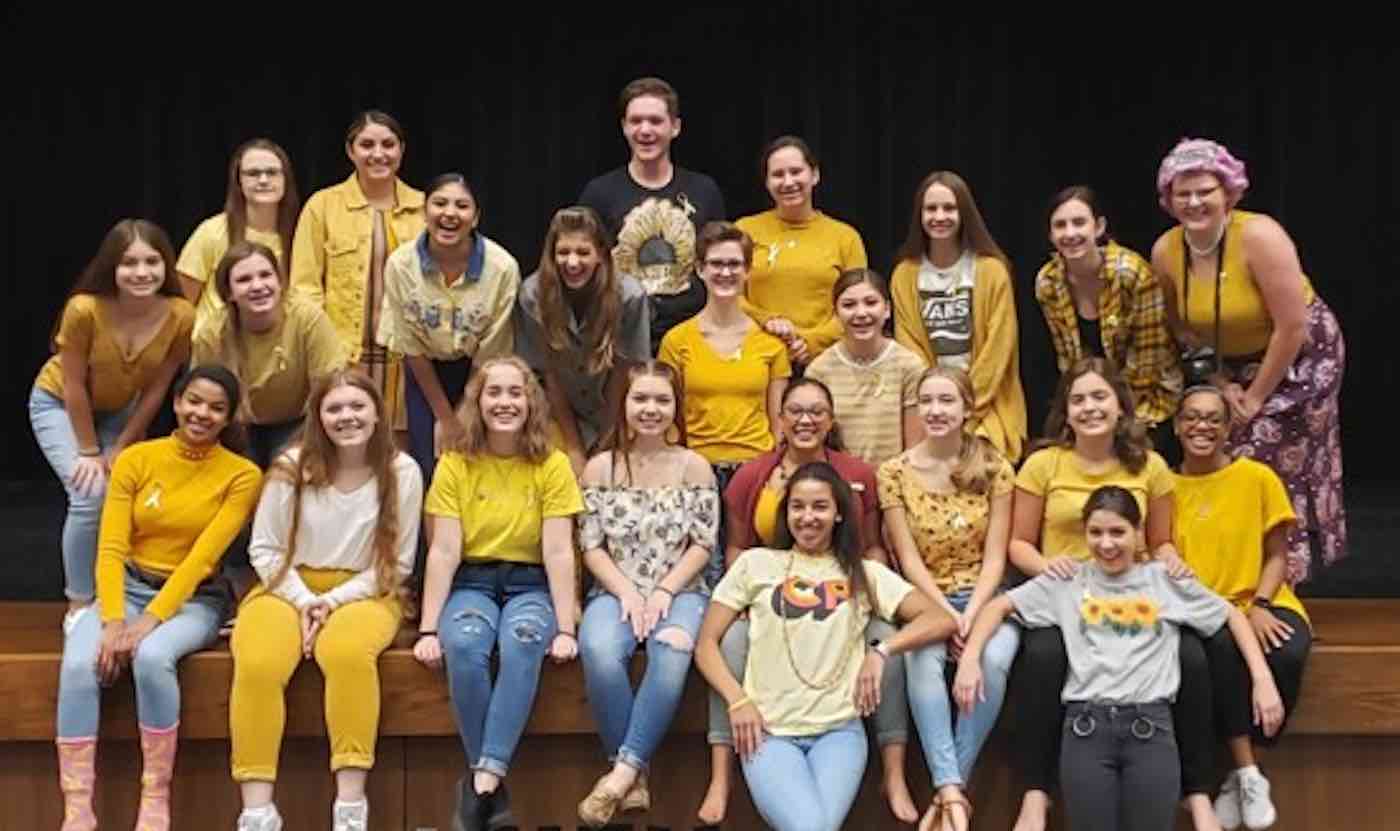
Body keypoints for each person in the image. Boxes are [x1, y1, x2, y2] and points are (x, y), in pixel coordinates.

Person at [955, 485, 1284, 831]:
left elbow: (1231, 615)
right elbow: (997, 606)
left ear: (1138, 533)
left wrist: (1262, 679)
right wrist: (971, 658)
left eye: (1117, 532)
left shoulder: (1164, 580)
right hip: (1086, 728)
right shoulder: (1068, 581)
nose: (1106, 544)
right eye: (1095, 533)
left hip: (1150, 729)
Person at [1006, 357, 1220, 831]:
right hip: (1064, 597)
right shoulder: (1042, 465)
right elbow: (1018, 543)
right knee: (1043, 656)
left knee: (1192, 657)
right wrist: (1048, 570)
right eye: (1078, 399)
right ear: (1065, 410)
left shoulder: (1151, 466)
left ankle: (1199, 792)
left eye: (1099, 397)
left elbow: (1161, 540)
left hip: (1131, 596)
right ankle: (1035, 793)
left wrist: (1171, 561)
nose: (1089, 407)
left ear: (1120, 405)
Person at [54, 365, 262, 831]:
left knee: (151, 657)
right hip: (126, 588)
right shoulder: (136, 459)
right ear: (176, 402)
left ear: (229, 417)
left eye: (216, 408)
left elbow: (202, 559)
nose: (202, 414)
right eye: (194, 401)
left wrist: (149, 621)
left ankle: (155, 799)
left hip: (194, 599)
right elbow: (111, 547)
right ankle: (77, 809)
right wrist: (113, 621)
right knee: (78, 664)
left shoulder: (243, 475)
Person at [695, 462, 956, 831]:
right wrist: (738, 701)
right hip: (769, 733)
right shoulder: (756, 564)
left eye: (820, 507)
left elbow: (939, 618)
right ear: (785, 514)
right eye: (797, 507)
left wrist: (882, 650)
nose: (808, 517)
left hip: (839, 733)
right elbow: (706, 644)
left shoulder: (863, 573)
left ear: (838, 514)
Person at [229, 370, 422, 831]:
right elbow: (265, 549)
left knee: (347, 653)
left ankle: (349, 809)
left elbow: (397, 562)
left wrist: (331, 602)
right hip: (287, 585)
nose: (346, 417)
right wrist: (304, 600)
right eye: (334, 408)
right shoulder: (289, 467)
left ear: (378, 414)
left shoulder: (403, 471)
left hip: (367, 588)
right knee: (257, 660)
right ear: (317, 417)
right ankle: (257, 811)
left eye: (358, 406)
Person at [1152, 137, 1346, 585]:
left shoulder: (1259, 236)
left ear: (1229, 192)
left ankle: (1279, 583)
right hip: (1229, 362)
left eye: (1205, 191)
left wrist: (1256, 397)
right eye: (1183, 193)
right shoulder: (1166, 251)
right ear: (1169, 200)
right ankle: (1229, 571)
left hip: (1300, 354)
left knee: (1269, 456)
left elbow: (1292, 326)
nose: (1194, 202)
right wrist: (1220, 383)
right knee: (1222, 451)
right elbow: (1181, 328)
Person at [699, 377, 892, 825]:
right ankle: (721, 772)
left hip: (843, 590)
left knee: (887, 637)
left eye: (817, 411)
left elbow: (871, 544)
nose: (806, 420)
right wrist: (748, 597)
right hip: (768, 590)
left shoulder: (858, 474)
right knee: (733, 641)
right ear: (780, 419)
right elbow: (737, 545)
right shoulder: (754, 476)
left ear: (831, 419)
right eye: (796, 411)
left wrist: (866, 594)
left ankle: (894, 766)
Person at [411, 357, 583, 831]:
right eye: (494, 392)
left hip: (531, 582)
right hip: (473, 581)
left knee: (523, 640)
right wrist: (428, 628)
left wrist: (566, 628)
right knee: (464, 646)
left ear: (531, 402)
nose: (505, 402)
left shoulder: (553, 464)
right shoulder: (454, 463)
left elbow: (558, 551)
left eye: (515, 392)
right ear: (477, 402)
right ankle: (491, 785)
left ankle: (480, 784)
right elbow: (444, 551)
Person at [574, 362, 718, 827]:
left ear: (676, 407)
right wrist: (627, 593)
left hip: (682, 589)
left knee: (671, 654)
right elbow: (591, 545)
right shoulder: (600, 467)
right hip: (614, 588)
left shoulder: (694, 466)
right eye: (640, 399)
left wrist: (663, 590)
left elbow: (703, 544)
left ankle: (620, 775)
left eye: (661, 400)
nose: (650, 409)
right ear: (623, 404)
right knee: (599, 652)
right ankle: (633, 776)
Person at [30, 219, 195, 622]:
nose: (142, 272)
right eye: (129, 263)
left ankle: (119, 590)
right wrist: (89, 451)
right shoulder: (84, 309)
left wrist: (122, 445)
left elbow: (157, 389)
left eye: (152, 262)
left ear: (166, 265)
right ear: (111, 268)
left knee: (125, 489)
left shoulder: (181, 315)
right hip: (59, 403)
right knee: (89, 493)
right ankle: (79, 603)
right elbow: (72, 384)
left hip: (121, 411)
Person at [879, 367, 1018, 831]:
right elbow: (908, 558)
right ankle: (954, 793)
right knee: (922, 663)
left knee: (992, 663)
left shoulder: (995, 468)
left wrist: (970, 617)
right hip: (928, 598)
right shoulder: (894, 473)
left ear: (966, 409)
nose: (935, 411)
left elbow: (996, 558)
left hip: (985, 598)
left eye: (946, 401)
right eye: (927, 402)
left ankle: (947, 792)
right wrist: (943, 613)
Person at [1173, 385, 1313, 831]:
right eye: (1192, 417)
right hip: (1203, 611)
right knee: (1216, 649)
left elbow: (1277, 555)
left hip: (1262, 599)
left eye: (1213, 419)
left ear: (1228, 428)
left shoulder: (1257, 477)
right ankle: (1245, 768)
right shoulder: (1163, 486)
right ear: (1176, 426)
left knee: (1287, 652)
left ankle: (1246, 773)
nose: (1202, 427)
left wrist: (1261, 604)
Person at [657, 221, 791, 564]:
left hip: (755, 470)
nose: (726, 272)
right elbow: (669, 421)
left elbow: (779, 423)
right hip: (696, 470)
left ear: (748, 271)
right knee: (704, 570)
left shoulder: (771, 344)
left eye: (734, 264)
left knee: (756, 568)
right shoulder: (676, 341)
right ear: (700, 269)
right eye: (716, 264)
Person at [376, 173, 518, 485]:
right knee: (429, 465)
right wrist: (445, 417)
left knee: (478, 459)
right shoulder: (400, 265)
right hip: (424, 372)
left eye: (462, 206)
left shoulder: (502, 268)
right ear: (424, 211)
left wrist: (465, 411)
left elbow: (491, 352)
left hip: (478, 372)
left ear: (476, 217)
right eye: (439, 203)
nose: (450, 213)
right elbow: (410, 346)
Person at [290, 110, 425, 427]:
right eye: (367, 145)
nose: (378, 154)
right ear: (350, 151)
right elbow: (305, 289)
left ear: (401, 150)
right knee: (346, 439)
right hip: (343, 357)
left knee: (400, 445)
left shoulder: (424, 207)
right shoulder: (323, 206)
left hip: (408, 362)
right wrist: (324, 352)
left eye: (388, 144)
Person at [578, 77, 726, 350]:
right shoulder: (598, 193)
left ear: (675, 127)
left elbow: (722, 265)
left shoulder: (705, 191)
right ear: (624, 127)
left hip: (693, 341)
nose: (645, 130)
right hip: (620, 339)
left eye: (656, 121)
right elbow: (583, 271)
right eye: (636, 121)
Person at [890, 171, 1027, 461]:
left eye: (949, 208)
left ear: (964, 213)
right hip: (931, 410)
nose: (939, 216)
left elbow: (999, 348)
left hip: (986, 408)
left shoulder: (992, 270)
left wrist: (963, 405)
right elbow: (910, 349)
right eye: (931, 208)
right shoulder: (904, 274)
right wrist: (938, 403)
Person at [1034, 185, 1180, 447]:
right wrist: (1084, 410)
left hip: (1146, 400)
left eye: (1079, 223)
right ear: (1050, 235)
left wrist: (1112, 419)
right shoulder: (1048, 282)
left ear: (1099, 227)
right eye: (1060, 225)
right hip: (1090, 399)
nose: (1070, 233)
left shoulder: (1132, 274)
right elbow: (1069, 361)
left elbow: (1147, 364)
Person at [516, 206, 649, 475]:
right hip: (558, 412)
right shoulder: (532, 295)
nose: (572, 262)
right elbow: (548, 374)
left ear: (600, 254)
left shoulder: (630, 296)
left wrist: (605, 444)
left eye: (583, 252)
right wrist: (575, 447)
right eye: (563, 252)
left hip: (614, 412)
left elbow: (624, 373)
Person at [192, 241, 346, 467]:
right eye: (244, 280)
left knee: (287, 472)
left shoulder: (308, 319)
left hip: (300, 424)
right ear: (229, 293)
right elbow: (201, 402)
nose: (258, 286)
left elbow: (329, 390)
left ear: (280, 281)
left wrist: (301, 450)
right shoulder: (212, 334)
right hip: (236, 428)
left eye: (265, 275)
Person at [737, 136, 867, 366]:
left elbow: (858, 304)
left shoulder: (845, 237)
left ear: (814, 175)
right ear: (767, 182)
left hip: (826, 362)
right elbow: (730, 297)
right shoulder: (745, 230)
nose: (788, 182)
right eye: (778, 174)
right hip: (758, 358)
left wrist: (809, 342)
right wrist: (768, 323)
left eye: (796, 172)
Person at [178, 138, 300, 341]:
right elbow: (182, 304)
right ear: (238, 181)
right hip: (215, 348)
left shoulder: (301, 232)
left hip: (279, 349)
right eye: (253, 173)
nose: (263, 180)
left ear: (285, 179)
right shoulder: (212, 231)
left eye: (272, 172)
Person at [805, 268, 926, 465]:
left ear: (887, 309)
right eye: (849, 305)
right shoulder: (819, 371)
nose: (861, 313)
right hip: (837, 480)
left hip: (893, 478)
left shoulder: (909, 366)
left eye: (871, 303)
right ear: (836, 313)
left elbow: (914, 449)